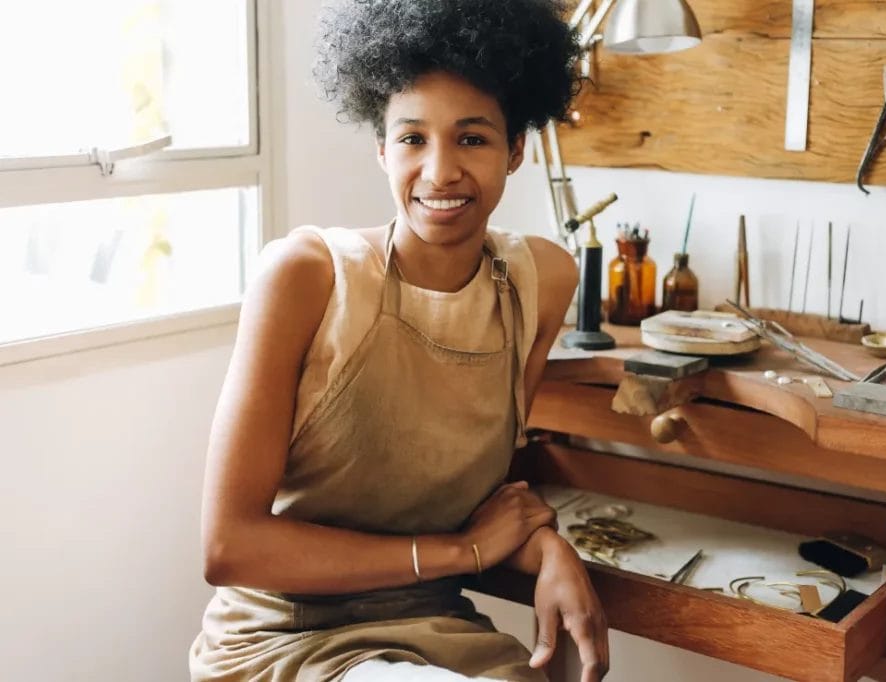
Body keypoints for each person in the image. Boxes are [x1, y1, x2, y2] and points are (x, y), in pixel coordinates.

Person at [189, 1, 609, 680]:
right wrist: (462, 554)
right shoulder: (306, 276)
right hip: (283, 637)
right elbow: (228, 547)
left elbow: (487, 503)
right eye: (413, 138)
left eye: (472, 139)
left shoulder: (541, 281)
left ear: (517, 150)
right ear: (381, 148)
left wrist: (549, 550)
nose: (440, 172)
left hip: (435, 627)